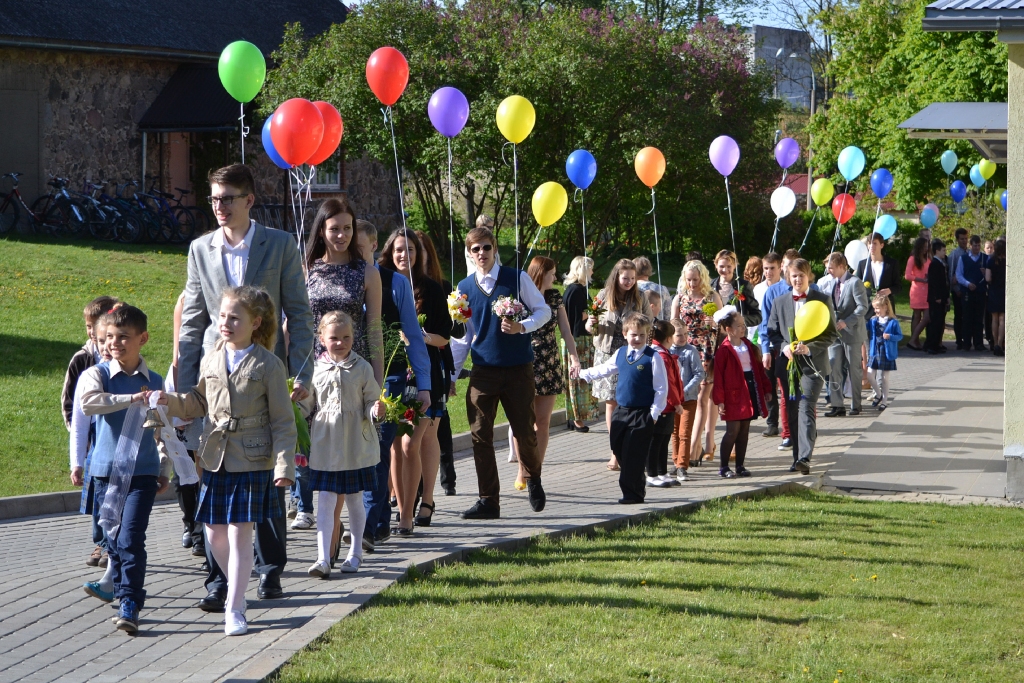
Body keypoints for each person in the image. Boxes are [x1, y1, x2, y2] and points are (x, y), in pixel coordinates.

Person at [178, 164, 313, 605]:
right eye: (214, 198)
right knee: (214, 476)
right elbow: (194, 320)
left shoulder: (279, 244)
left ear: (249, 200)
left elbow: (300, 312)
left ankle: (270, 568)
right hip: (215, 383)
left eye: (228, 198)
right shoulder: (201, 249)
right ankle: (218, 582)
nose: (219, 206)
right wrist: (183, 391)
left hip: (264, 375)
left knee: (265, 477)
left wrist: (302, 376)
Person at [155, 287, 296, 636]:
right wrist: (168, 401)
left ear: (255, 323)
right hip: (215, 458)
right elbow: (198, 403)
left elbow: (283, 421)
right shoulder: (212, 358)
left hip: (253, 458)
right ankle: (238, 587)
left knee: (238, 535)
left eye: (235, 317)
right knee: (214, 533)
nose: (226, 323)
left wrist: (283, 468)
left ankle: (234, 608)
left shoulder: (269, 365)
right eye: (222, 316)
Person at [79, 305, 171, 634]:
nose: (115, 343)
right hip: (105, 471)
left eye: (124, 337)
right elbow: (89, 403)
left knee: (131, 537)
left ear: (142, 339)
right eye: (109, 337)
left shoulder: (156, 381)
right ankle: (118, 589)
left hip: (142, 472)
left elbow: (163, 428)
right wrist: (131, 398)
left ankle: (130, 602)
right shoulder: (98, 374)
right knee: (113, 540)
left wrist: (165, 465)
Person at [450, 226, 551, 519]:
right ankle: (488, 500)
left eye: (486, 247)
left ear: (495, 248)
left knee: (524, 431)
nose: (481, 253)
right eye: (475, 249)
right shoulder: (464, 288)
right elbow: (463, 339)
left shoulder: (516, 278)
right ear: (469, 254)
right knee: (480, 435)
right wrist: (452, 377)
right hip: (483, 370)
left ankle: (533, 478)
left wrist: (523, 326)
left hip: (519, 368)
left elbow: (543, 311)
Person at [302, 199, 384, 538]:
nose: (342, 235)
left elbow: (376, 326)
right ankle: (329, 539)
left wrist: (377, 379)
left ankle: (341, 538)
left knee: (349, 456)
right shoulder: (306, 269)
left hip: (354, 371)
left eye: (348, 228)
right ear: (322, 230)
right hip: (317, 373)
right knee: (322, 457)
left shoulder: (366, 272)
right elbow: (295, 323)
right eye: (334, 228)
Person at [352, 220, 432, 547]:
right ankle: (378, 520)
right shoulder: (342, 281)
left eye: (360, 247)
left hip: (391, 376)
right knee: (360, 451)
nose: (354, 254)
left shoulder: (394, 283)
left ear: (373, 246)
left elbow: (413, 335)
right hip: (350, 377)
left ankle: (372, 525)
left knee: (381, 445)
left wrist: (424, 384)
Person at [377, 229, 452, 534]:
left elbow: (445, 336)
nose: (403, 255)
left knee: (412, 443)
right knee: (395, 445)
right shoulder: (379, 285)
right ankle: (399, 504)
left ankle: (417, 507)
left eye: (409, 249)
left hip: (425, 372)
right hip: (390, 373)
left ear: (419, 254)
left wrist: (417, 337)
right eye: (397, 250)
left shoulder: (432, 290)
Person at [300, 311, 383, 577]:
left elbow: (371, 398)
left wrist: (375, 409)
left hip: (356, 444)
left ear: (353, 336)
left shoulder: (362, 367)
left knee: (355, 498)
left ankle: (355, 552)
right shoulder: (314, 368)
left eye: (346, 337)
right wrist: (292, 405)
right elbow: (306, 405)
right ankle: (322, 557)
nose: (340, 342)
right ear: (322, 338)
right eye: (334, 337)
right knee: (325, 499)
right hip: (326, 444)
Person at [576, 313, 668, 504]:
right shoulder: (620, 353)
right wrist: (583, 373)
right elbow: (604, 369)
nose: (638, 339)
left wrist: (654, 412)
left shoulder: (653, 357)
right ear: (625, 334)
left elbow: (661, 388)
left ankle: (633, 493)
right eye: (634, 335)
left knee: (634, 454)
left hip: (642, 413)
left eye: (642, 335)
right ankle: (633, 484)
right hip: (622, 411)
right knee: (618, 447)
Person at [510, 257, 581, 489]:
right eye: (552, 272)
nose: (555, 276)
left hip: (549, 364)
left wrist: (574, 357)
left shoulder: (554, 297)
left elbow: (566, 331)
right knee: (523, 422)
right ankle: (522, 469)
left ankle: (535, 473)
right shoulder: (520, 297)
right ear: (541, 273)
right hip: (524, 362)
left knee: (543, 421)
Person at [766, 258, 838, 474]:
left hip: (813, 366)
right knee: (792, 410)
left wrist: (810, 348)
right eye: (794, 276)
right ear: (788, 277)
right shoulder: (780, 302)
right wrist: (785, 346)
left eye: (801, 275)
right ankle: (797, 456)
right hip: (788, 367)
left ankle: (805, 457)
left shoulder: (822, 300)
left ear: (809, 276)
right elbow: (772, 331)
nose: (797, 279)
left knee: (806, 407)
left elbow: (832, 333)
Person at [64, 295, 119, 567]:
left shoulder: (128, 366)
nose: (107, 345)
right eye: (98, 337)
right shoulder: (83, 363)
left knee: (114, 495)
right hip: (93, 441)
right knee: (98, 496)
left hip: (118, 442)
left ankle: (111, 545)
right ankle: (100, 542)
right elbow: (73, 408)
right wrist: (78, 455)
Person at [586, 258, 645, 471]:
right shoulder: (603, 296)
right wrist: (590, 323)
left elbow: (649, 323)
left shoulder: (640, 297)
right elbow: (590, 325)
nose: (628, 282)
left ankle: (632, 447)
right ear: (616, 277)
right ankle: (615, 452)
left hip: (632, 354)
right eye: (625, 278)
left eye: (632, 278)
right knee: (611, 402)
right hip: (608, 353)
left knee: (629, 401)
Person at [415, 228, 461, 496]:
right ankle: (416, 486)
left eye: (418, 250)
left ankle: (448, 478)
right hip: (409, 366)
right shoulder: (400, 284)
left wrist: (459, 314)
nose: (412, 255)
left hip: (437, 362)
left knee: (439, 424)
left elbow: (456, 333)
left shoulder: (442, 287)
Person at [670, 260, 724, 465]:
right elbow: (672, 325)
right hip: (684, 352)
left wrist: (715, 322)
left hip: (706, 351)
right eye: (689, 279)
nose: (692, 283)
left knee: (702, 398)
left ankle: (694, 446)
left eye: (696, 279)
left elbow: (724, 325)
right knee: (687, 397)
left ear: (702, 277)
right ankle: (696, 445)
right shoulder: (679, 298)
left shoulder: (712, 296)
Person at [758, 249, 810, 451]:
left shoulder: (810, 293)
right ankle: (787, 433)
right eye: (788, 267)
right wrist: (765, 350)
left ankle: (806, 431)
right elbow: (767, 325)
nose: (791, 272)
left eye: (795, 268)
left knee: (806, 394)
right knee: (785, 392)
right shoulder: (774, 292)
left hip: (805, 353)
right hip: (782, 351)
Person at [711, 306, 771, 478]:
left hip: (749, 389)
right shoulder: (724, 350)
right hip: (733, 394)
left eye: (744, 325)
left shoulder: (749, 346)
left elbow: (759, 370)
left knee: (744, 430)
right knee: (732, 430)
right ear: (728, 329)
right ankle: (723, 466)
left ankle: (740, 465)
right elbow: (719, 377)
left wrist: (766, 388)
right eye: (739, 325)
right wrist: (720, 400)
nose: (743, 328)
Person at [820, 253, 868, 417]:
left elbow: (862, 307)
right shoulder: (831, 283)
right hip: (835, 333)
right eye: (828, 269)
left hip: (852, 333)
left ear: (842, 266)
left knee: (853, 369)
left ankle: (856, 404)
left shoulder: (855, 283)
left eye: (831, 268)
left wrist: (847, 321)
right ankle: (837, 405)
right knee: (833, 367)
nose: (829, 271)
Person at [644, 319, 684, 488]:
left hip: (665, 405)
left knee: (664, 439)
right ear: (668, 339)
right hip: (663, 406)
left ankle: (662, 471)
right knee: (656, 441)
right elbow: (668, 383)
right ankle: (652, 474)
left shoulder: (660, 353)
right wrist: (676, 402)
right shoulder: (661, 356)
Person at [562, 256, 599, 430]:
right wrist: (591, 315)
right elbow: (578, 318)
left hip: (569, 338)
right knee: (579, 379)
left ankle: (572, 416)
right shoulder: (578, 290)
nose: (592, 271)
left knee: (573, 379)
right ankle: (578, 418)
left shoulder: (570, 289)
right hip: (579, 339)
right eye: (590, 268)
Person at [753, 252, 786, 440]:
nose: (768, 272)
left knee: (784, 385)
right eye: (765, 268)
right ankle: (772, 423)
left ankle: (788, 424)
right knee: (769, 385)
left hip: (782, 344)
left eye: (772, 268)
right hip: (764, 343)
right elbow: (761, 321)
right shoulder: (758, 289)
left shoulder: (785, 288)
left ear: (780, 267)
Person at [669, 319, 704, 482]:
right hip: (672, 400)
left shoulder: (691, 351)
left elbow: (699, 373)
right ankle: (676, 462)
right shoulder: (668, 351)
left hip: (688, 399)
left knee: (684, 432)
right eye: (678, 335)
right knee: (674, 432)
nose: (682, 338)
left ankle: (683, 465)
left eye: (685, 334)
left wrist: (686, 390)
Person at [866, 293, 902, 410]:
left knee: (885, 378)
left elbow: (899, 336)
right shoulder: (873, 321)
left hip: (886, 352)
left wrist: (890, 336)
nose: (876, 311)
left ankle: (884, 401)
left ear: (886, 307)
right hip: (874, 351)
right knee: (870, 375)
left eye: (878, 308)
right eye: (875, 308)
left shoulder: (893, 321)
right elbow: (865, 329)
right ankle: (878, 394)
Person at [711, 249, 761, 328]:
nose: (725, 270)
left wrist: (740, 320)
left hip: (736, 336)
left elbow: (757, 316)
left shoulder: (743, 285)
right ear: (716, 265)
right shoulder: (709, 286)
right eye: (721, 266)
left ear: (735, 265)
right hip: (715, 336)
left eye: (729, 266)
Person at [855, 232, 902, 316]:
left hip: (886, 309)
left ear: (882, 245)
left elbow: (898, 286)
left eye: (875, 243)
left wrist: (889, 290)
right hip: (868, 310)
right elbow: (857, 286)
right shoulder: (862, 264)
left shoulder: (891, 264)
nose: (871, 246)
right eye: (869, 243)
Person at [955, 234, 988, 351]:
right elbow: (959, 274)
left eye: (979, 246)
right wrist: (967, 284)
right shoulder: (963, 258)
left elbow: (989, 276)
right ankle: (966, 343)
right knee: (967, 318)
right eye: (975, 246)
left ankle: (979, 343)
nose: (977, 248)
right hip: (967, 292)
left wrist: (985, 274)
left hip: (980, 292)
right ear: (970, 245)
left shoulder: (985, 258)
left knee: (979, 319)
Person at [904, 236, 931, 351]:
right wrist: (921, 279)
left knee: (927, 317)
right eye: (924, 247)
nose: (925, 249)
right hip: (917, 290)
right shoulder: (913, 259)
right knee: (917, 315)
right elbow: (907, 275)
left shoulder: (928, 259)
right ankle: (915, 341)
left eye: (927, 247)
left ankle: (913, 339)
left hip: (927, 290)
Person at [925, 238, 949, 355]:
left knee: (940, 322)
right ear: (937, 251)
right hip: (936, 299)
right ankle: (931, 345)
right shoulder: (934, 264)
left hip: (942, 297)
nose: (945, 252)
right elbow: (934, 283)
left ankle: (936, 344)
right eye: (943, 250)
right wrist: (937, 297)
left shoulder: (941, 263)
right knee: (935, 322)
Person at [948, 228, 970, 349]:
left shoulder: (970, 252)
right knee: (959, 315)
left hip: (968, 289)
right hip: (958, 291)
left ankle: (967, 338)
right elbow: (951, 274)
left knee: (968, 315)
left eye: (966, 239)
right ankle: (958, 340)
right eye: (962, 239)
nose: (964, 241)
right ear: (957, 240)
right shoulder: (954, 254)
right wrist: (955, 289)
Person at [985, 237, 1006, 356]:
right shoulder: (1007, 261)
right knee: (1002, 319)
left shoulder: (990, 261)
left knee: (994, 319)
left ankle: (995, 344)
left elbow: (988, 278)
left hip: (993, 291)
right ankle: (1000, 343)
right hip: (1004, 291)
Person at [984, 239, 996, 349]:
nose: (989, 249)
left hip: (993, 291)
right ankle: (990, 337)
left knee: (994, 317)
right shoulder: (984, 259)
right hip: (986, 291)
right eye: (987, 248)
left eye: (991, 247)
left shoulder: (993, 260)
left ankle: (994, 340)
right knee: (987, 317)